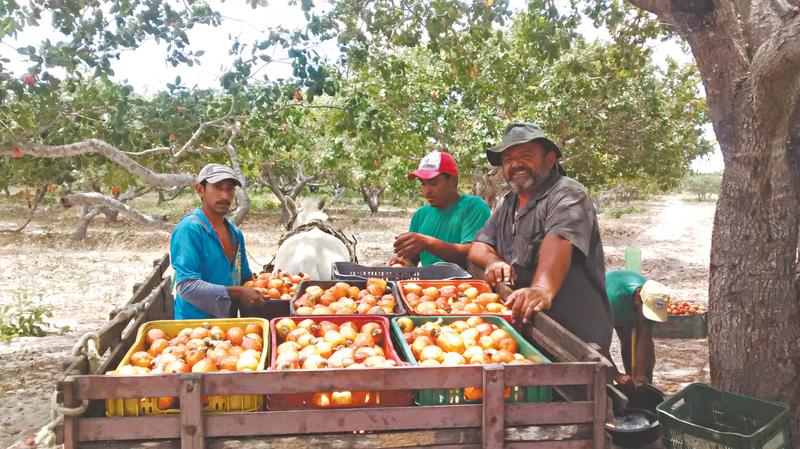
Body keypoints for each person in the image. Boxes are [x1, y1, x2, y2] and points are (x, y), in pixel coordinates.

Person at [467, 123, 613, 355]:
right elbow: (479, 246)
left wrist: (542, 289)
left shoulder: (567, 194)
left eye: (526, 156)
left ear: (550, 158)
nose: (515, 165)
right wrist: (492, 262)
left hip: (572, 339)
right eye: (508, 159)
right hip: (526, 330)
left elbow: (559, 239)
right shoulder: (508, 202)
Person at [170, 163, 266, 319]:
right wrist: (237, 292)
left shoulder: (235, 233)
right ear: (200, 190)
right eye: (218, 187)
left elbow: (244, 278)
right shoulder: (190, 229)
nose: (225, 196)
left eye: (229, 189)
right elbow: (186, 286)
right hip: (194, 326)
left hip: (228, 325)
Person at [390, 150, 491, 269]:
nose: (426, 192)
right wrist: (403, 263)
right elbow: (412, 260)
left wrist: (427, 243)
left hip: (466, 285)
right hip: (430, 286)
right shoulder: (421, 215)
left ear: (453, 181)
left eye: (433, 183)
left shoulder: (473, 207)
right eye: (423, 184)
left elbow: (474, 255)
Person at [606, 270, 670, 385]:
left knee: (644, 359)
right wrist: (615, 374)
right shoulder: (614, 300)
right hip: (610, 307)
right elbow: (599, 343)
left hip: (626, 309)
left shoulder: (654, 300)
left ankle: (637, 384)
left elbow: (644, 336)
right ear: (638, 297)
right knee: (603, 372)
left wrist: (640, 374)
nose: (648, 317)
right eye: (647, 311)